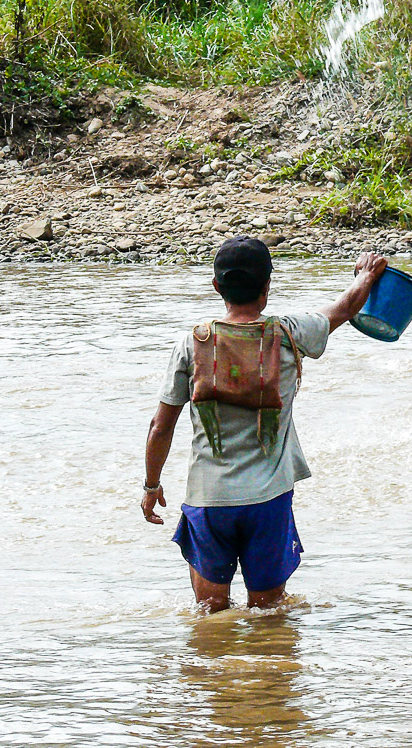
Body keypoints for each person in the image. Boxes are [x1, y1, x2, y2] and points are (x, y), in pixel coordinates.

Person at [141, 237, 387, 612]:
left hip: (209, 501)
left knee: (209, 612)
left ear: (217, 286)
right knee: (270, 612)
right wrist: (365, 276)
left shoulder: (192, 344)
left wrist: (151, 485)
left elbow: (161, 425)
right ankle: (269, 669)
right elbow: (345, 308)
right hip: (268, 500)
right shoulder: (289, 333)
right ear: (267, 285)